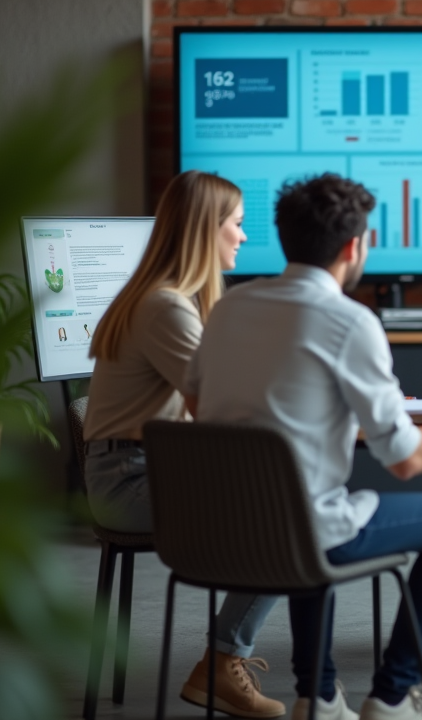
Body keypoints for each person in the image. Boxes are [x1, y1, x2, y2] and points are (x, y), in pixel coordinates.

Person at [184, 173, 422, 720]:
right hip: (303, 531)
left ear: (284, 237)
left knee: (318, 501)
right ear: (354, 247)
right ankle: (393, 694)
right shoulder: (349, 321)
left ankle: (320, 695)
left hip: (220, 530)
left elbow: (196, 404)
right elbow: (406, 460)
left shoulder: (228, 309)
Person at [83, 171, 284, 718]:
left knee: (287, 502)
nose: (244, 237)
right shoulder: (165, 307)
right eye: (237, 225)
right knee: (287, 517)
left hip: (140, 469)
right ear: (205, 230)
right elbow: (222, 406)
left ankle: (222, 660)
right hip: (130, 480)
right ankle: (221, 664)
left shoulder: (168, 301)